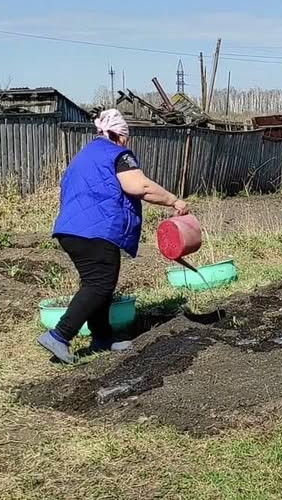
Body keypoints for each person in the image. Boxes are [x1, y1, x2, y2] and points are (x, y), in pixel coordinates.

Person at [38, 109, 189, 364]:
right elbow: (139, 186)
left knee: (99, 284)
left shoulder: (85, 155)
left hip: (71, 229)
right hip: (95, 230)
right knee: (100, 284)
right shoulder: (118, 154)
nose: (126, 143)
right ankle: (60, 335)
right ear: (119, 136)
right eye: (126, 138)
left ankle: (102, 338)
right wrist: (174, 201)